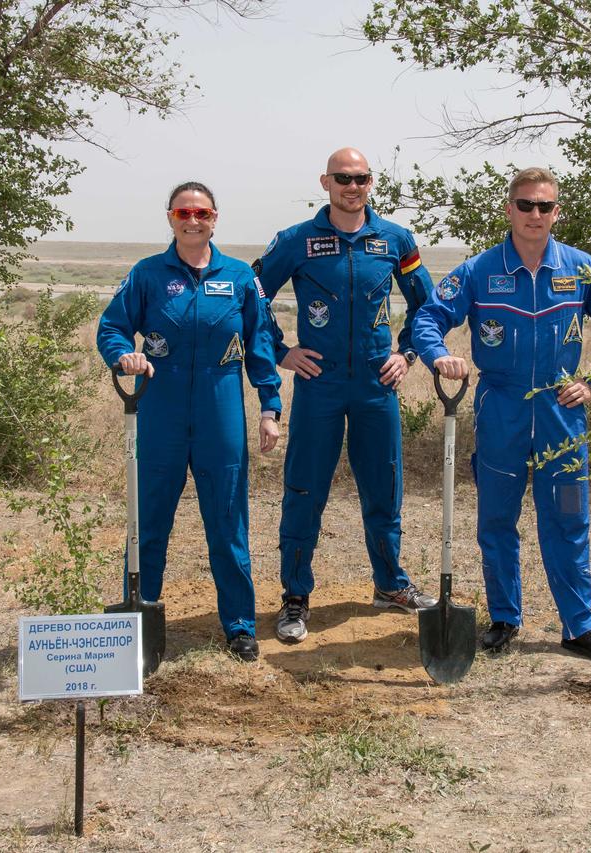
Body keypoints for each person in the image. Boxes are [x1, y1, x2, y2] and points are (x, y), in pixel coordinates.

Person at [411, 167, 591, 662]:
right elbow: (427, 318)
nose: (536, 215)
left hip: (561, 412)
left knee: (568, 519)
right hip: (501, 408)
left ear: (557, 213)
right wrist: (438, 355)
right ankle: (505, 619)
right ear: (509, 209)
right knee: (496, 519)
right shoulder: (477, 270)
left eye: (545, 206)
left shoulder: (582, 269)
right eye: (526, 205)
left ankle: (579, 626)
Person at [254, 147, 437, 644]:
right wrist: (282, 352)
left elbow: (427, 306)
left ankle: (390, 584)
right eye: (343, 178)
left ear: (370, 183)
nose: (352, 187)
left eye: (360, 178)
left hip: (378, 386)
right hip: (319, 384)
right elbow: (252, 296)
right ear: (325, 182)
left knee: (384, 488)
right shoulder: (296, 240)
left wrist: (408, 354)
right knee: (305, 490)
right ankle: (295, 596)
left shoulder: (395, 239)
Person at [97, 181, 282, 662]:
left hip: (220, 403)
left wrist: (269, 407)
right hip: (161, 405)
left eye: (202, 212)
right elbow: (113, 326)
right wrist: (123, 356)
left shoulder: (240, 278)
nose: (193, 220)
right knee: (149, 518)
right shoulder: (148, 274)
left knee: (227, 520)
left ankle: (239, 625)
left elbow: (260, 344)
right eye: (184, 212)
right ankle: (136, 622)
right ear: (171, 218)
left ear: (215, 217)